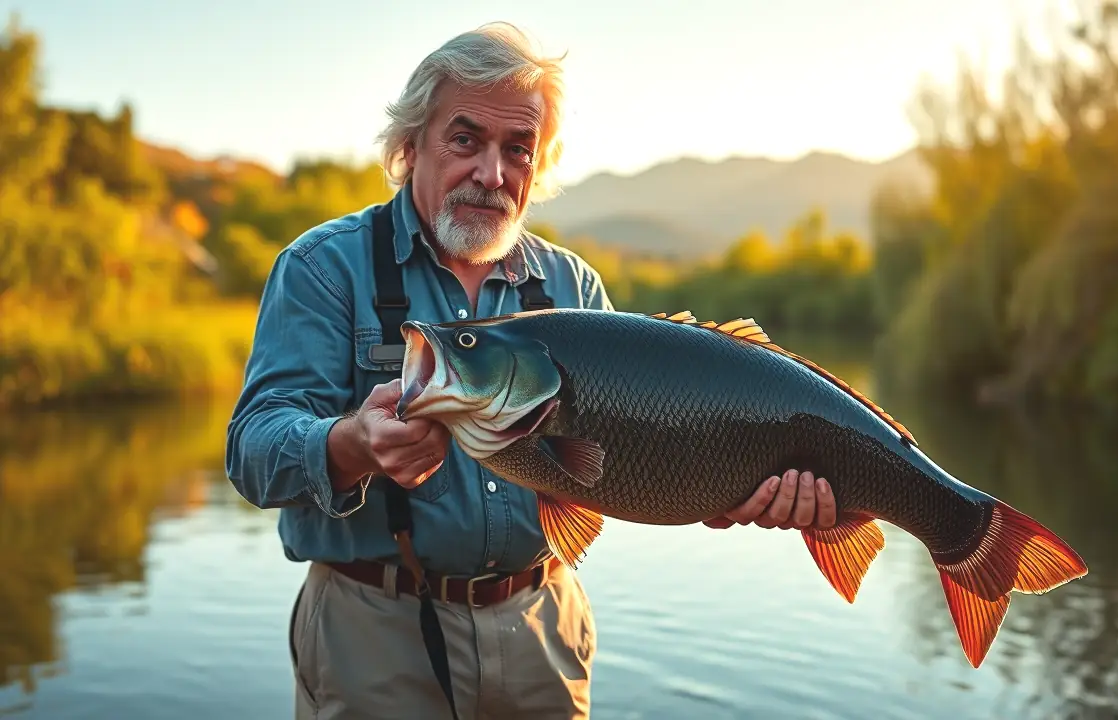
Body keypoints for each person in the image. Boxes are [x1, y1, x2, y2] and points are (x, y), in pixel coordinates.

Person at [224, 22, 838, 720]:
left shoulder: (573, 285)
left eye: (517, 149)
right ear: (410, 144)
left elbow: (626, 466)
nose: (492, 173)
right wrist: (353, 444)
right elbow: (252, 450)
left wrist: (730, 492)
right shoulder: (323, 267)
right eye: (466, 140)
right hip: (372, 631)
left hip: (543, 625)